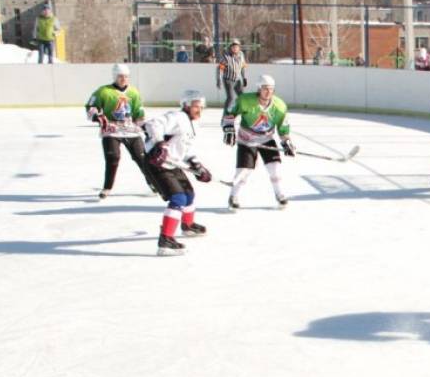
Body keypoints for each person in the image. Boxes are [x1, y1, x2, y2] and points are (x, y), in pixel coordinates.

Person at [143, 90, 214, 256]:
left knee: (189, 194)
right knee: (178, 198)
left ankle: (188, 226)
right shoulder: (177, 117)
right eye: (196, 106)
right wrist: (160, 144)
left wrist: (197, 165)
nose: (199, 110)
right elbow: (152, 124)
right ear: (186, 105)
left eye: (201, 107)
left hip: (173, 162)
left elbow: (186, 149)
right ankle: (165, 240)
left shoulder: (193, 123)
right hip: (157, 163)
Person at [86, 63, 159, 200]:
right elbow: (91, 106)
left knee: (142, 158)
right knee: (113, 158)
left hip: (131, 130)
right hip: (111, 130)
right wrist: (96, 116)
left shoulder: (133, 92)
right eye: (120, 76)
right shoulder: (104, 91)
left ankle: (154, 183)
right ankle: (107, 188)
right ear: (114, 76)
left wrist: (144, 126)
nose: (123, 79)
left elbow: (138, 111)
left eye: (126, 76)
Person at [222, 74, 294, 210]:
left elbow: (283, 129)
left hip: (266, 139)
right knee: (244, 171)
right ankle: (233, 197)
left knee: (275, 168)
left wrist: (286, 142)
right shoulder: (245, 101)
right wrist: (228, 128)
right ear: (258, 89)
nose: (268, 92)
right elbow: (229, 113)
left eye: (271, 89)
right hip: (247, 140)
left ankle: (280, 195)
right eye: (265, 88)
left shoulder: (279, 106)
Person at [216, 39, 248, 114]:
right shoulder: (226, 57)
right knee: (230, 98)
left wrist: (244, 78)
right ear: (230, 47)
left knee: (242, 96)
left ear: (239, 47)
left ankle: (242, 111)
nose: (235, 48)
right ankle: (226, 113)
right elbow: (220, 69)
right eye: (233, 46)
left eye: (236, 46)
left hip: (237, 79)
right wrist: (219, 80)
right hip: (228, 80)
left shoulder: (241, 55)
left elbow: (243, 67)